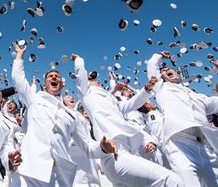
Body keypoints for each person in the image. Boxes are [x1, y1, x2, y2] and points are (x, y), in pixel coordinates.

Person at [11, 44, 117, 186]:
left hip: (60, 177)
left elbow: (88, 147)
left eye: (57, 76)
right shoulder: (34, 99)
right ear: (45, 84)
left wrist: (103, 147)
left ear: (62, 85)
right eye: (50, 76)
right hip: (28, 172)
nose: (54, 77)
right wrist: (19, 56)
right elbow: (18, 78)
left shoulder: (73, 115)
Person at [72, 54, 182, 186]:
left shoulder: (111, 99)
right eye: (95, 81)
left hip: (127, 152)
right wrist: (79, 60)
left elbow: (131, 104)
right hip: (115, 154)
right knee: (171, 180)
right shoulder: (87, 94)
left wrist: (146, 90)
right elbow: (81, 77)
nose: (99, 82)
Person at [147, 51, 218, 186]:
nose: (166, 69)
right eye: (163, 70)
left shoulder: (198, 96)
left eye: (169, 68)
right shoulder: (161, 88)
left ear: (178, 74)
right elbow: (151, 64)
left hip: (206, 147)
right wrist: (160, 55)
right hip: (180, 145)